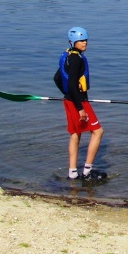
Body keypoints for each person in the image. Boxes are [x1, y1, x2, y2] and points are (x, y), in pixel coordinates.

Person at [56, 27, 105, 181]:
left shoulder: (68, 55)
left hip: (69, 100)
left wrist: (68, 96)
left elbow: (57, 78)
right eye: (81, 41)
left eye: (85, 40)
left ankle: (72, 173)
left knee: (75, 134)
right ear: (73, 42)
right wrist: (80, 108)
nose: (84, 43)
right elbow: (71, 84)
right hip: (79, 102)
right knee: (98, 131)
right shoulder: (77, 59)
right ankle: (87, 172)